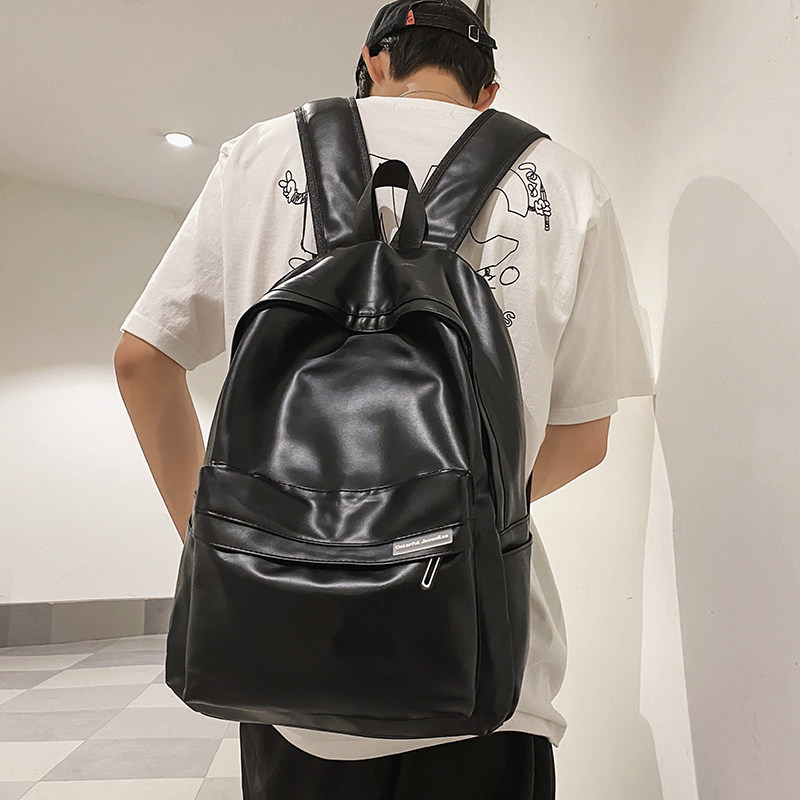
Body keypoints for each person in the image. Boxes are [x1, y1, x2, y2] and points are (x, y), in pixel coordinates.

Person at [114, 1, 655, 797]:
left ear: (373, 62)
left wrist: (217, 543)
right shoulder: (569, 184)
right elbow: (585, 438)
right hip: (485, 676)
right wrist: (447, 521)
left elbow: (141, 361)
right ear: (488, 92)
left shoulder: (259, 154)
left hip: (284, 664)